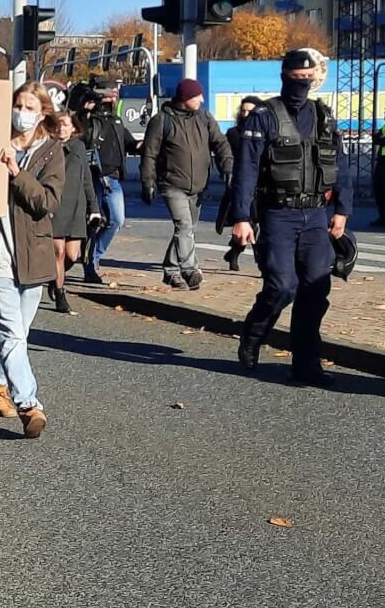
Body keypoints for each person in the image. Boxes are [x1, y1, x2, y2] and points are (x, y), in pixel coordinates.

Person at [229, 48, 352, 386]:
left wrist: (342, 209)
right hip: (277, 214)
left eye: (308, 78)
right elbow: (245, 171)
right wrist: (241, 217)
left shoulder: (323, 116)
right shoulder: (265, 116)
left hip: (315, 214)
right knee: (282, 286)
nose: (303, 83)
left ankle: (307, 365)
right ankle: (254, 331)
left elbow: (340, 166)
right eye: (297, 77)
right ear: (284, 76)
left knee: (315, 289)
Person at [0, 83, 65, 439]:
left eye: (28, 106)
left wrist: (16, 173)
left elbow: (47, 203)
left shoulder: (51, 152)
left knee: (18, 333)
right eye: (17, 104)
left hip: (32, 256)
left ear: (42, 113)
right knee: (9, 332)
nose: (20, 111)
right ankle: (29, 404)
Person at [140, 79, 233, 290]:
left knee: (187, 229)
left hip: (199, 184)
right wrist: (148, 181)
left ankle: (171, 270)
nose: (201, 99)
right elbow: (149, 154)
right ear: (184, 99)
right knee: (184, 226)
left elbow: (221, 143)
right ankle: (190, 269)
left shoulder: (204, 117)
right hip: (172, 183)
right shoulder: (162, 120)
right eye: (196, 96)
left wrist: (227, 167)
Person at [77, 82, 137, 284]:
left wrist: (148, 144)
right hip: (93, 177)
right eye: (110, 94)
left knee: (116, 220)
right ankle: (89, 266)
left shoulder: (116, 121)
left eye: (115, 94)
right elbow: (79, 138)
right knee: (93, 222)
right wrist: (85, 109)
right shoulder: (87, 120)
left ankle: (93, 256)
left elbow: (130, 143)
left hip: (113, 179)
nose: (113, 98)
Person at [48, 111, 99, 314]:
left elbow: (87, 178)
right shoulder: (47, 147)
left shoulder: (78, 147)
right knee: (58, 252)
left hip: (76, 208)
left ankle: (55, 278)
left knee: (71, 255)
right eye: (59, 125)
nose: (62, 129)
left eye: (66, 125)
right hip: (55, 206)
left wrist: (94, 208)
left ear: (74, 128)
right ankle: (60, 294)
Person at [217, 96, 262, 271]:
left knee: (258, 224)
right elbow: (226, 157)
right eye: (243, 110)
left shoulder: (263, 133)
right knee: (249, 223)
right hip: (241, 185)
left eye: (249, 111)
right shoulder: (234, 134)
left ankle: (235, 252)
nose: (245, 114)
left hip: (261, 185)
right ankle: (255, 261)